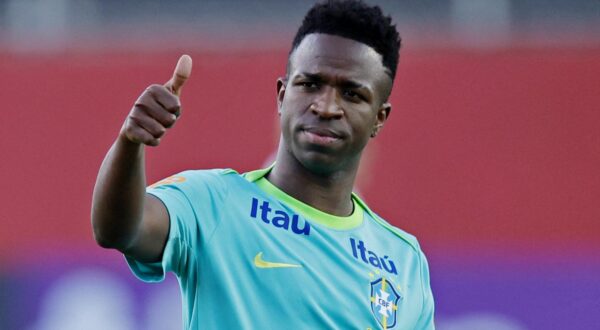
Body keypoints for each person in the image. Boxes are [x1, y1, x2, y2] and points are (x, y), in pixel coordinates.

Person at [91, 0, 435, 329]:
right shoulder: (214, 203)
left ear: (380, 117)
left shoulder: (403, 261)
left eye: (352, 94)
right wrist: (129, 143)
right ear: (282, 96)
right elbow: (120, 229)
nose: (326, 107)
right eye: (310, 84)